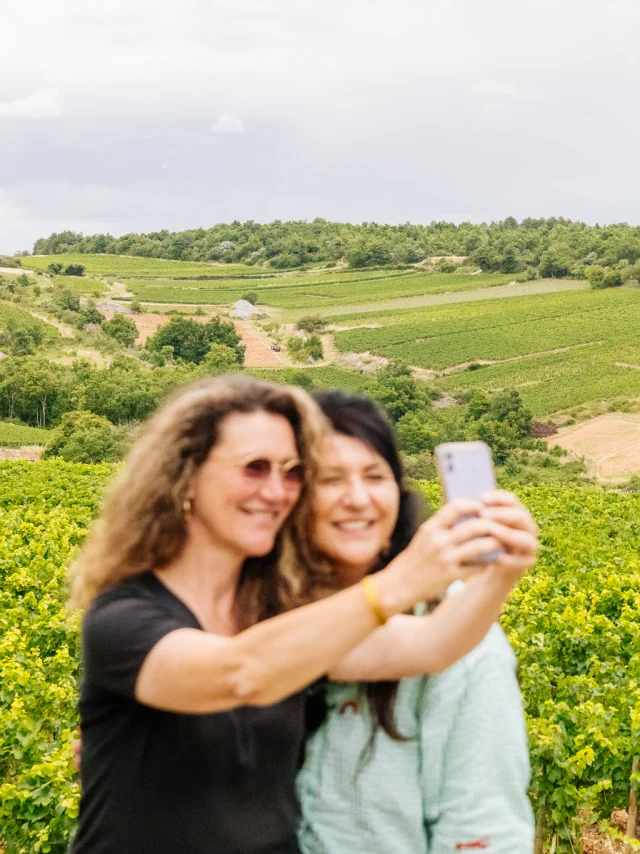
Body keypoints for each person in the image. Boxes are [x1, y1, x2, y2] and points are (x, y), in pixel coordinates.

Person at [69, 375, 533, 854]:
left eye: (291, 472)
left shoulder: (281, 611)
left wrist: (502, 575)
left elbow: (432, 644)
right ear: (185, 475)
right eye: (255, 468)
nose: (277, 491)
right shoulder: (122, 618)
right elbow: (241, 673)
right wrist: (401, 581)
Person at [296, 390, 535, 854]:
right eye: (329, 479)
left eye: (374, 476)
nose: (358, 498)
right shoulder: (259, 615)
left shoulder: (466, 638)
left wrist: (496, 580)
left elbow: (482, 831)